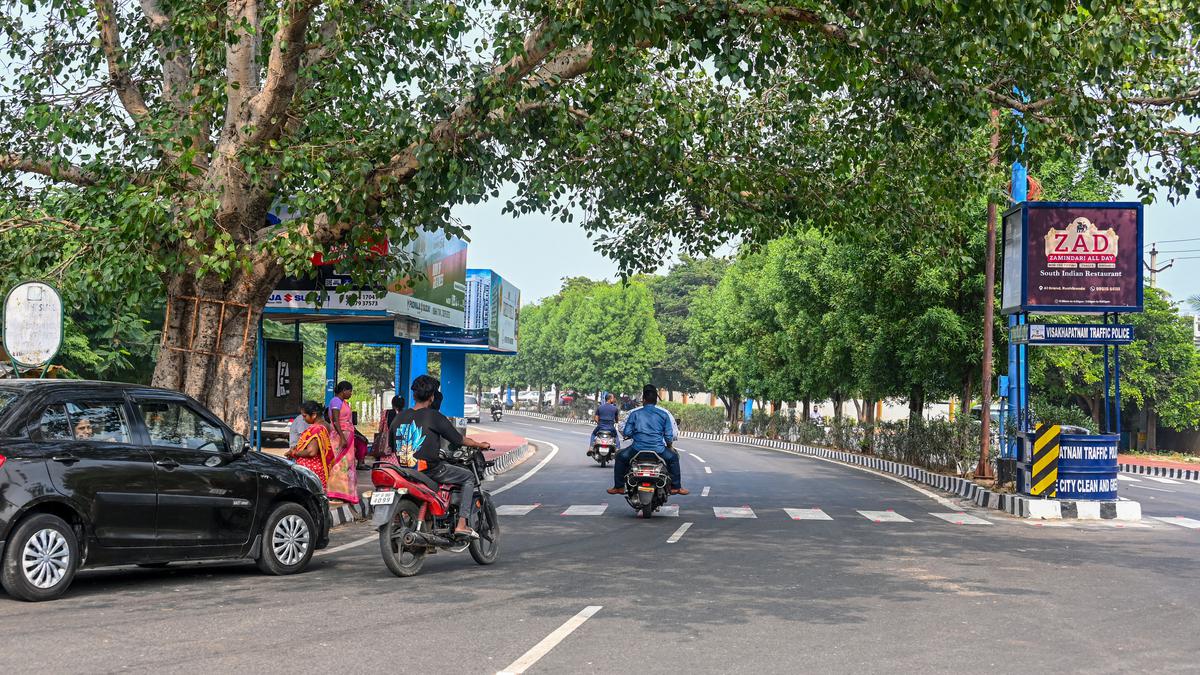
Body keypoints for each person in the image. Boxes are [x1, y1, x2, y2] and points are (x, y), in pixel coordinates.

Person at [390, 374, 491, 538]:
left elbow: (391, 444)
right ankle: (462, 524)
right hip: (430, 470)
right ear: (431, 398)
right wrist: (480, 445)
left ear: (414, 395)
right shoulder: (434, 416)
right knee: (468, 477)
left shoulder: (399, 417)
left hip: (403, 470)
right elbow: (458, 439)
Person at [607, 385, 688, 495]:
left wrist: (635, 434)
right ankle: (676, 487)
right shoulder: (664, 414)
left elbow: (626, 432)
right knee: (673, 458)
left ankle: (619, 487)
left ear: (643, 400)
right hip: (659, 450)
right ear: (656, 401)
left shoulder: (634, 413)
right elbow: (669, 436)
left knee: (620, 456)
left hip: (637, 449)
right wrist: (669, 446)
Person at [325, 381, 359, 504]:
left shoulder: (343, 402)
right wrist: (342, 437)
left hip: (346, 435)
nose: (351, 393)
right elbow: (335, 420)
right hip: (340, 436)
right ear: (343, 390)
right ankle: (335, 491)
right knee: (339, 464)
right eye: (350, 391)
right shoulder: (335, 401)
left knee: (347, 464)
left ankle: (345, 492)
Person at [286, 401, 332, 490]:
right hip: (323, 466)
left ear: (314, 415)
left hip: (313, 469)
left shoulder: (316, 428)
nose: (303, 419)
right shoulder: (325, 424)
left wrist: (294, 453)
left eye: (304, 416)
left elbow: (311, 452)